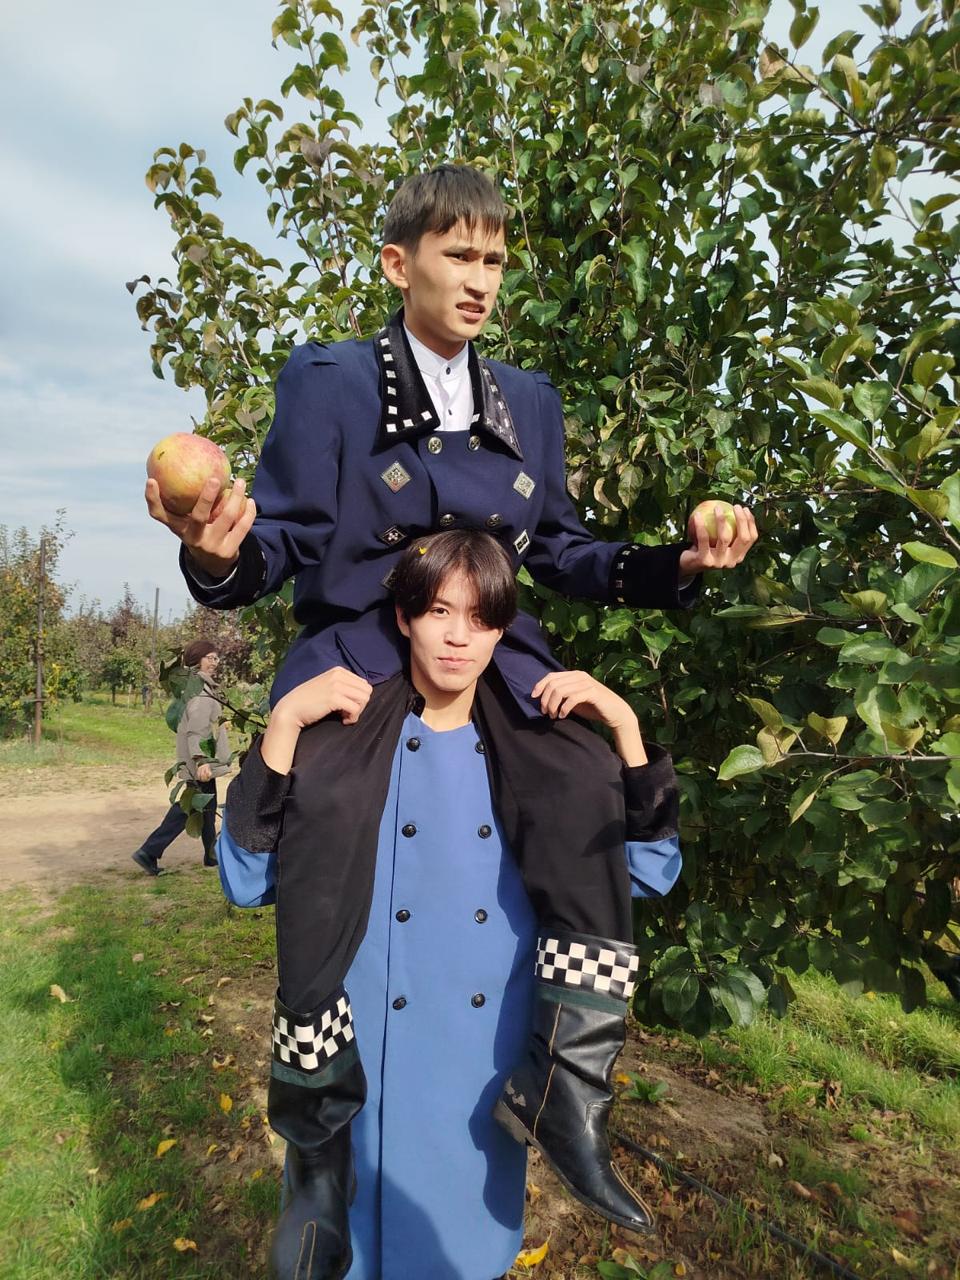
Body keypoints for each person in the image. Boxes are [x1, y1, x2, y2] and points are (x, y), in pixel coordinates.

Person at [144, 165, 755, 1224]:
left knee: (582, 781)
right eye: (459, 255)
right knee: (328, 808)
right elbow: (283, 540)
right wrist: (214, 553)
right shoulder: (331, 380)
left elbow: (560, 550)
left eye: (495, 260)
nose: (481, 280)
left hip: (494, 648)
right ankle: (318, 1126)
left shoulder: (529, 400)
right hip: (361, 649)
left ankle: (567, 1090)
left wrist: (681, 565)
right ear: (399, 263)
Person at [217, 531, 683, 1280]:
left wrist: (625, 729)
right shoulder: (344, 746)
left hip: (482, 1070)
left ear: (504, 631)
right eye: (439, 611)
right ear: (404, 618)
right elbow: (244, 882)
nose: (459, 637)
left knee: (457, 1255)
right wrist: (283, 725)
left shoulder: (543, 761)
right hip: (357, 1060)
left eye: (481, 617)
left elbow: (649, 874)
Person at [131, 640, 230, 875]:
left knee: (207, 807)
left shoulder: (197, 688)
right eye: (209, 658)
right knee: (187, 808)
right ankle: (149, 851)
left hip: (202, 761)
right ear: (196, 659)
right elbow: (197, 729)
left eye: (216, 658)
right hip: (200, 762)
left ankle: (211, 855)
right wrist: (201, 760)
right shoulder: (200, 693)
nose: (215, 662)